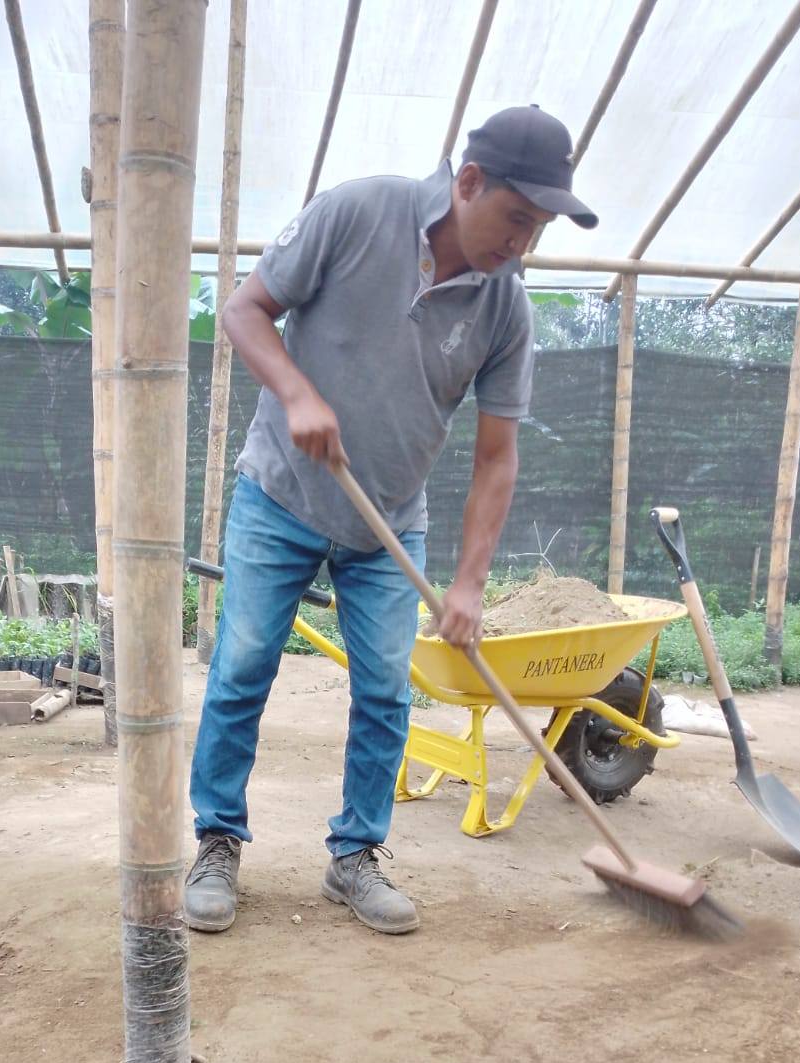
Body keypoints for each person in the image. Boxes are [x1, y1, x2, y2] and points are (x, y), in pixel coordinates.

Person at [185, 106, 598, 936]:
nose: (523, 242)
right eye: (517, 217)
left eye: (539, 228)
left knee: (383, 690)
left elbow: (496, 458)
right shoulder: (358, 211)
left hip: (388, 524)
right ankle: (217, 840)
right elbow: (244, 311)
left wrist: (470, 585)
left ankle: (355, 856)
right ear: (469, 182)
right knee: (243, 666)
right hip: (280, 495)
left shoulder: (506, 308)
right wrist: (297, 393)